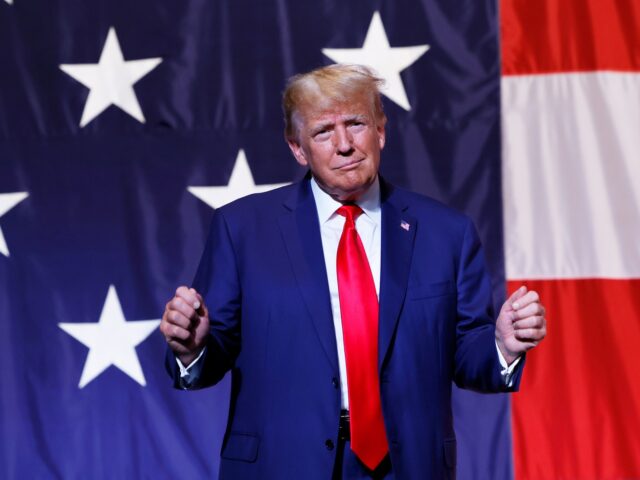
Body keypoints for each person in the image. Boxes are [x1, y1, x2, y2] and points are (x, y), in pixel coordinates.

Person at [160, 64, 546, 479]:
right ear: (298, 148)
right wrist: (192, 349)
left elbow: (468, 356)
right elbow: (212, 356)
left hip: (408, 465)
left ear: (380, 131)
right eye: (324, 131)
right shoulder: (242, 230)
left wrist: (502, 347)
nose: (344, 144)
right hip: (281, 465)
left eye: (356, 124)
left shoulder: (446, 233)